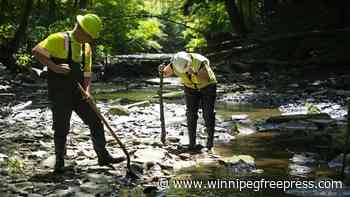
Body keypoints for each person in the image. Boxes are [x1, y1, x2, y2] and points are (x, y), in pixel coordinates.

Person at [32, 14, 125, 173]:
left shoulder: (86, 47)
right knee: (61, 128)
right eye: (89, 35)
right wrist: (55, 67)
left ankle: (103, 156)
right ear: (81, 29)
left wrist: (88, 91)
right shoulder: (58, 39)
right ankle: (59, 163)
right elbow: (36, 51)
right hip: (59, 93)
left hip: (79, 93)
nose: (90, 39)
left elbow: (87, 73)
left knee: (96, 121)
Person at [159, 51, 217, 151]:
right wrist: (161, 71)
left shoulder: (200, 62)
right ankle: (192, 143)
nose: (184, 71)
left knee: (208, 114)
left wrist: (194, 73)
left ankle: (210, 142)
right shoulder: (175, 63)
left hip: (207, 86)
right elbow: (165, 73)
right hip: (190, 87)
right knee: (190, 114)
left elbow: (206, 78)